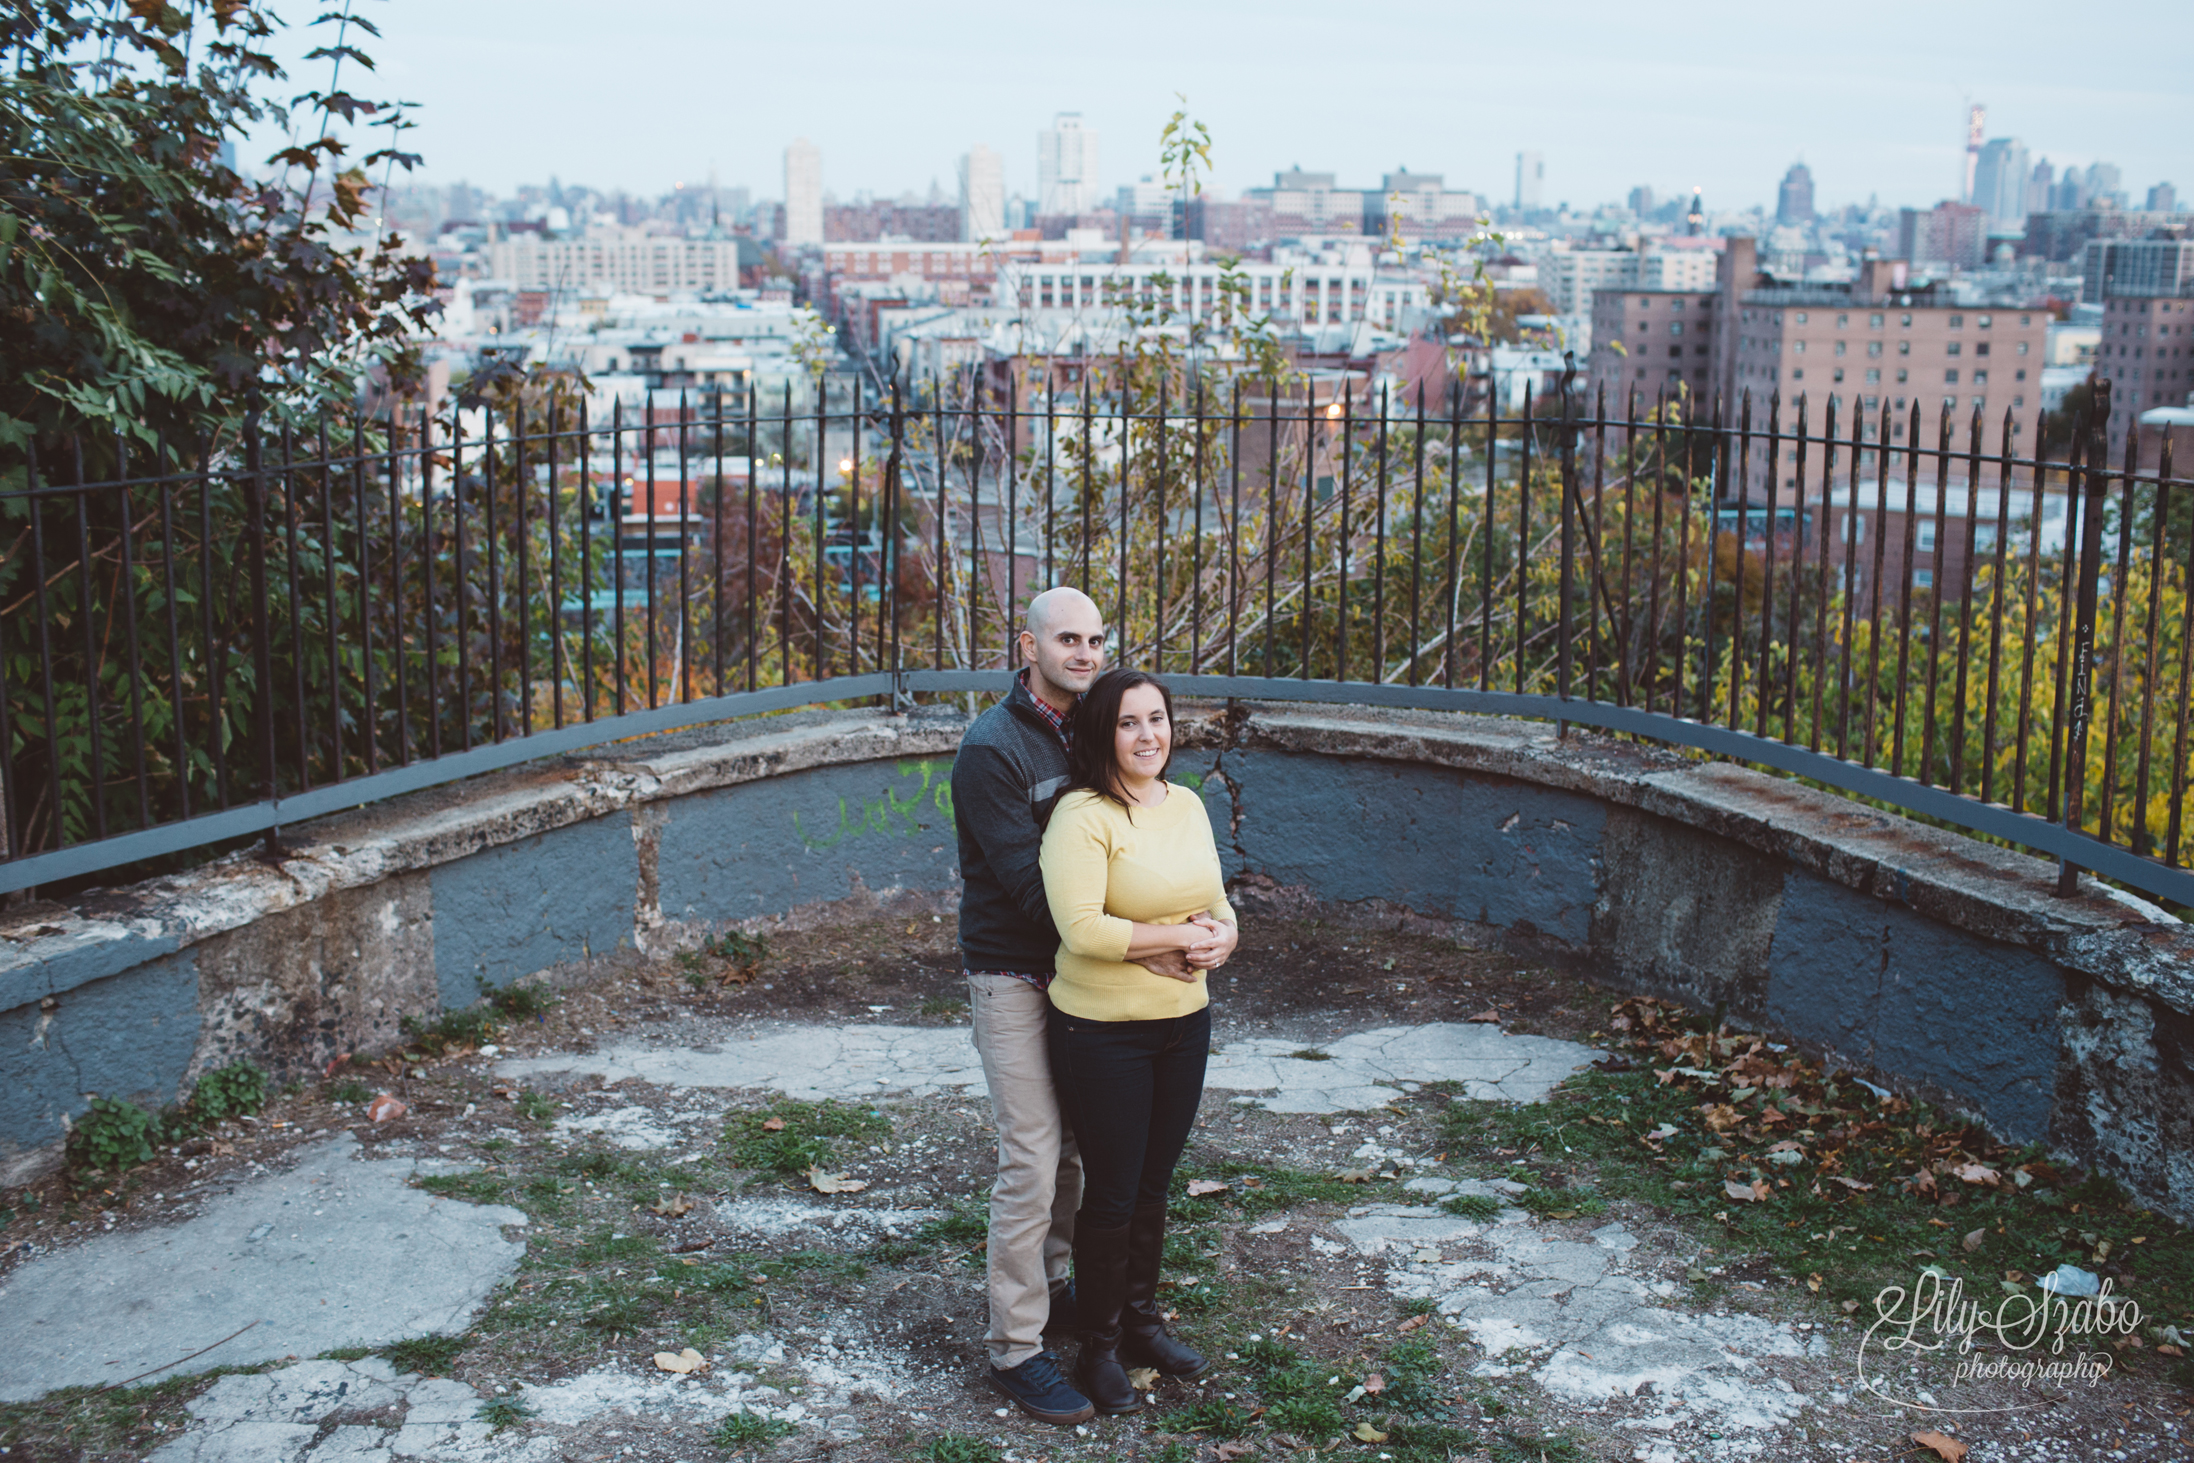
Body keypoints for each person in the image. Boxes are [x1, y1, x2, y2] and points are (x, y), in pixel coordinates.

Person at [951, 588, 1196, 1425]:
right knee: (1031, 1157)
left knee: (1085, 1157)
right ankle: (1016, 1348)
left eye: (1096, 638)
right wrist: (1156, 935)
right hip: (1018, 974)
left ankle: (1066, 1295)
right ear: (1030, 645)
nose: (1086, 652)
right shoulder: (993, 749)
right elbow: (1035, 890)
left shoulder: (1099, 721)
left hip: (1091, 979)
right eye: (1068, 639)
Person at [1039, 668, 1239, 1414]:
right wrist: (1169, 936)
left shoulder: (1185, 805)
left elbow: (1217, 901)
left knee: (1155, 1183)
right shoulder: (1082, 815)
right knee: (1114, 1190)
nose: (1148, 734)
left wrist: (1223, 938)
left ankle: (1142, 1324)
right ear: (1104, 734)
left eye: (1157, 719)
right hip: (1103, 1033)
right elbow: (1083, 928)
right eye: (1129, 722)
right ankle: (1098, 1345)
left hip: (1184, 1022)